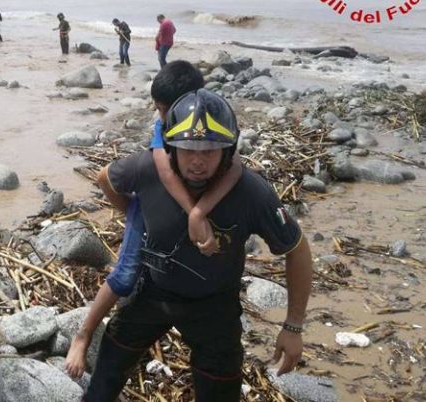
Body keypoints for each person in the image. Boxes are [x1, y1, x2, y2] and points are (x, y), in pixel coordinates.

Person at [83, 88, 313, 401]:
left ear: (228, 151)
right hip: (153, 290)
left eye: (209, 150)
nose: (198, 161)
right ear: (170, 147)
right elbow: (106, 177)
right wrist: (135, 213)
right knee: (105, 374)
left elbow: (297, 250)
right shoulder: (148, 169)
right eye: (188, 148)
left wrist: (293, 326)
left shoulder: (250, 193)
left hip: (214, 307)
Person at [65, 61, 243, 380]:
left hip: (186, 207)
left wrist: (201, 212)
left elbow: (236, 168)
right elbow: (157, 172)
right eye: (159, 110)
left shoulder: (212, 120)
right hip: (155, 201)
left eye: (163, 110)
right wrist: (142, 210)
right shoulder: (165, 128)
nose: (160, 118)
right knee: (124, 275)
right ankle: (84, 334)